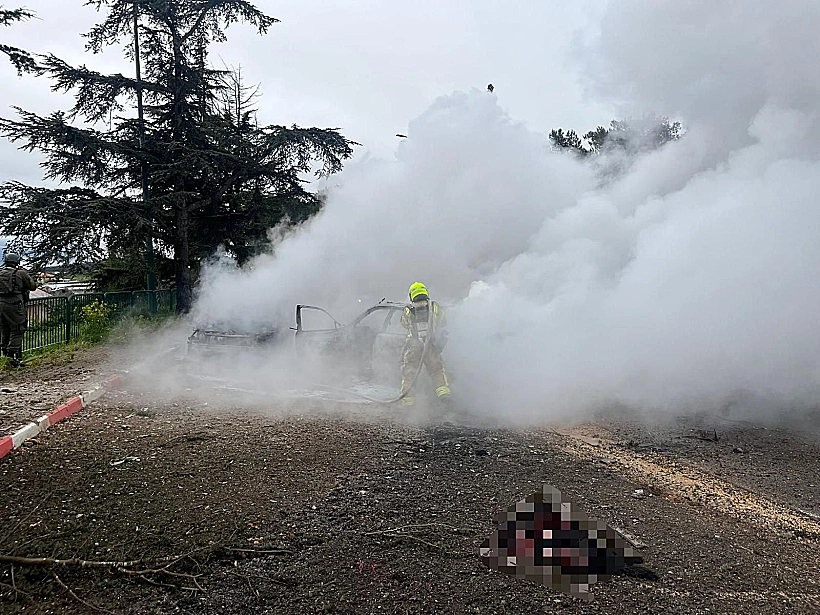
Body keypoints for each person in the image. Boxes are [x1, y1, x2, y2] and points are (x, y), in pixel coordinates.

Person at [400, 282, 451, 406]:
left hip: (414, 348)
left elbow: (404, 324)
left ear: (412, 295)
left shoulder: (408, 310)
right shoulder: (435, 307)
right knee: (437, 371)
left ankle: (407, 402)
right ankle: (444, 395)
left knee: (410, 374)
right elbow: (443, 321)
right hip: (431, 347)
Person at [0, 252, 37, 367]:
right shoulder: (20, 273)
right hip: (15, 305)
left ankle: (5, 355)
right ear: (17, 262)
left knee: (4, 330)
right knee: (18, 330)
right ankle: (11, 357)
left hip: (0, 304)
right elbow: (32, 286)